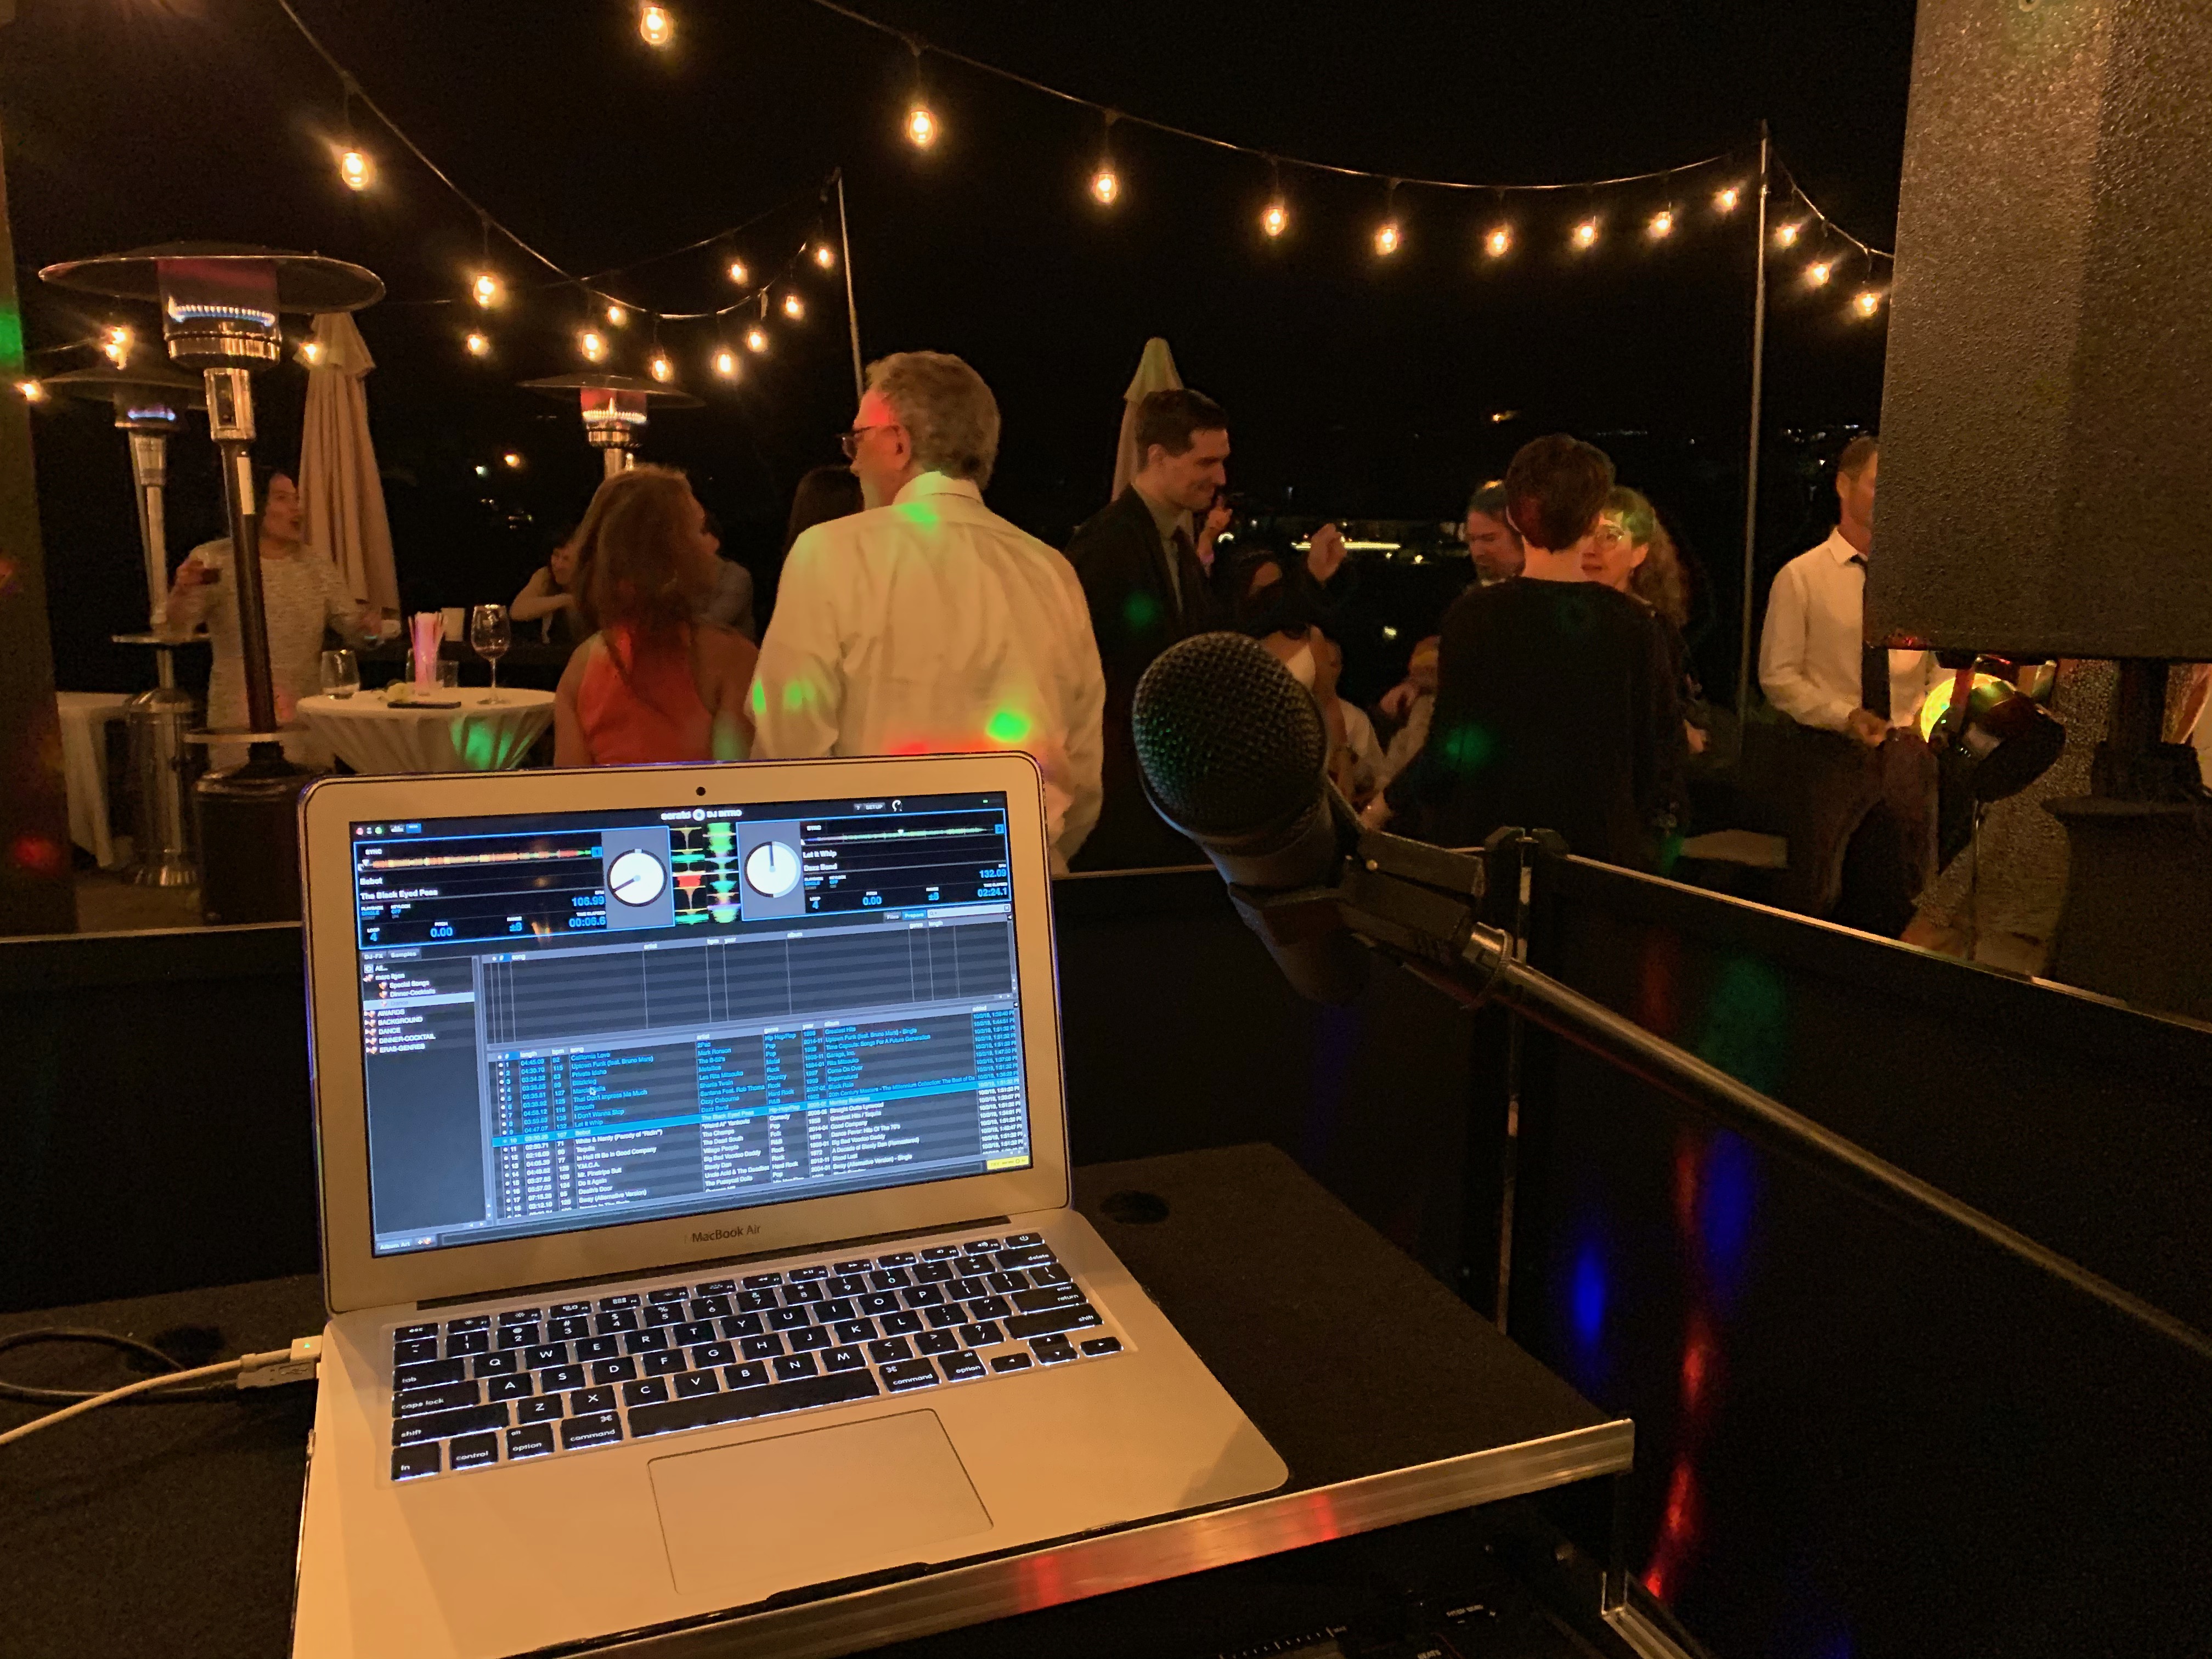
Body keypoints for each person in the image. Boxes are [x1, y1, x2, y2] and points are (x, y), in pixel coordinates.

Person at [749, 351, 1106, 871]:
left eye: (857, 439)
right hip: (1031, 874)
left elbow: (788, 752)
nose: (853, 462)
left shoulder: (828, 552)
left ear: (898, 443)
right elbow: (1083, 772)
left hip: (874, 878)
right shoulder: (1051, 570)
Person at [1368, 434, 1684, 870]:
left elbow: (1449, 751)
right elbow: (1659, 757)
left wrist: (1382, 807)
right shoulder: (1634, 625)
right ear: (1594, 518)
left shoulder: (1475, 616)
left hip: (1488, 847)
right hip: (1596, 856)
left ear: (1516, 517)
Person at [1758, 436, 1940, 934]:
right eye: (1879, 484)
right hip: (1831, 758)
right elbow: (1778, 676)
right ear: (1843, 485)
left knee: (1905, 894)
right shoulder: (1802, 577)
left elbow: (1939, 666)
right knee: (1824, 894)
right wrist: (1846, 715)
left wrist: (1928, 717)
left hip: (1907, 756)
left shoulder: (1914, 582)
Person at [1064, 388, 1232, 870]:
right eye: (1206, 462)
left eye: (1222, 461)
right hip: (1124, 811)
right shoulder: (1107, 546)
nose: (1221, 478)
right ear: (1158, 457)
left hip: (1161, 799)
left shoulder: (1173, 542)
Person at [163, 468, 381, 769]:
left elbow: (359, 635)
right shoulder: (216, 559)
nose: (296, 509)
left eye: (297, 499)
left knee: (308, 794)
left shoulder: (316, 564)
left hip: (306, 719)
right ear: (253, 504)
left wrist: (370, 630)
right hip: (239, 720)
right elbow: (174, 631)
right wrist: (182, 591)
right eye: (282, 499)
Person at [553, 466, 756, 768]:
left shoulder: (581, 666)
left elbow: (569, 788)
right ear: (674, 551)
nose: (710, 545)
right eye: (698, 531)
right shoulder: (729, 658)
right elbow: (735, 786)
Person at [1587, 486, 1709, 759]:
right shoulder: (1556, 618)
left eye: (1609, 537)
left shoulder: (1652, 629)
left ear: (1639, 552)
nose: (1591, 549)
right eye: (1584, 535)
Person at [510, 529, 582, 645]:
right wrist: (566, 600)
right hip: (552, 650)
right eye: (556, 555)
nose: (558, 565)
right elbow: (517, 610)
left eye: (566, 559)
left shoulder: (595, 581)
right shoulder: (546, 575)